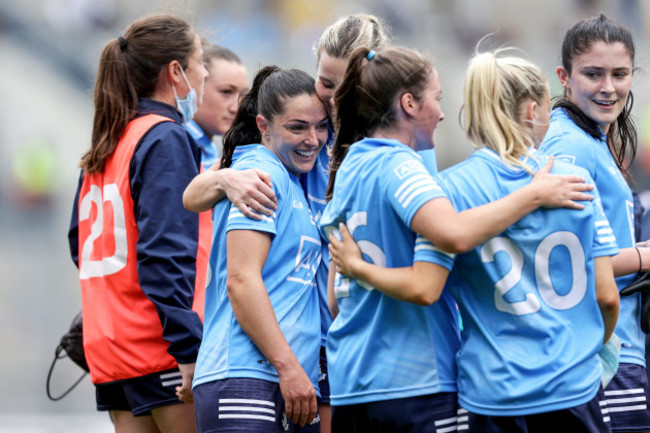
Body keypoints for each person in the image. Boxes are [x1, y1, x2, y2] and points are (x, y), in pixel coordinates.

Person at [327, 47, 620, 433]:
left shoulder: (382, 173)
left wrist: (357, 271)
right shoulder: (572, 181)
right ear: (532, 111)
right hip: (549, 383)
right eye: (437, 99)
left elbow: (334, 300)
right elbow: (607, 297)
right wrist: (593, 350)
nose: (442, 112)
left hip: (484, 390)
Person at [183, 14, 390, 433]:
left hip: (329, 358)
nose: (332, 98)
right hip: (260, 366)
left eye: (343, 85)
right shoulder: (272, 165)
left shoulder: (368, 149)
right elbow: (195, 202)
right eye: (325, 83)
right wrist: (224, 177)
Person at [67, 14, 208, 433]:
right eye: (200, 62)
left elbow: (80, 245)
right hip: (159, 348)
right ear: (175, 72)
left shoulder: (108, 141)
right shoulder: (164, 137)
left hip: (110, 349)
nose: (203, 74)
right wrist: (188, 348)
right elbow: (165, 252)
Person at [191, 66, 329, 433]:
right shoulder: (258, 173)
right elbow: (240, 279)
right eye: (297, 127)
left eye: (321, 126)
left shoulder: (293, 179)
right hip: (248, 375)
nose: (313, 139)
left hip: (289, 381)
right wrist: (288, 367)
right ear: (264, 125)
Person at [539, 14, 650, 432]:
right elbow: (561, 264)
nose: (608, 87)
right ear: (564, 77)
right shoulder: (569, 146)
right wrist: (642, 257)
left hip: (611, 347)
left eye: (619, 74)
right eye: (593, 73)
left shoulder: (591, 138)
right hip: (601, 352)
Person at [185, 43, 249, 170]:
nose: (236, 108)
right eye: (226, 92)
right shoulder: (179, 143)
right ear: (195, 86)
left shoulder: (208, 146)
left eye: (243, 95)